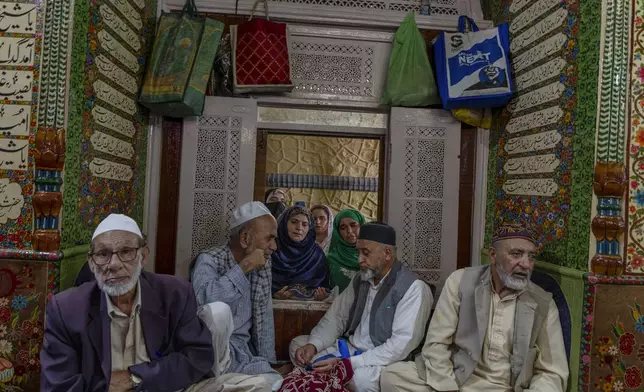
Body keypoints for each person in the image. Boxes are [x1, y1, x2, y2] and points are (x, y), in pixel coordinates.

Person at [381, 223, 569, 392]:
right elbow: (436, 343)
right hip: (457, 378)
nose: (526, 264)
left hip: (505, 388)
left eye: (531, 256)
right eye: (516, 254)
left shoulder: (543, 303)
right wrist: (447, 387)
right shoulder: (460, 281)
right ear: (493, 255)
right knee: (392, 376)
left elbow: (552, 372)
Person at [41, 214, 215, 392]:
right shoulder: (66, 309)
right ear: (92, 262)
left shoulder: (175, 294)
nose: (114, 264)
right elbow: (59, 385)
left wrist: (133, 377)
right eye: (103, 254)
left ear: (143, 256)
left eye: (126, 252)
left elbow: (198, 355)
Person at [290, 222, 433, 392]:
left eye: (365, 253)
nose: (359, 259)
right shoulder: (361, 279)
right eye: (358, 252)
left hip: (381, 361)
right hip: (349, 350)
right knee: (298, 348)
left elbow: (399, 346)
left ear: (387, 253)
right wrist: (313, 345)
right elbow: (337, 318)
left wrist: (348, 364)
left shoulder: (413, 288)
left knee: (359, 381)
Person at [190, 202, 283, 389]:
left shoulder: (264, 265)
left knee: (274, 382)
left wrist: (268, 362)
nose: (274, 246)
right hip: (210, 351)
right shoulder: (209, 260)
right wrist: (244, 267)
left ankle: (221, 383)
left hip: (242, 355)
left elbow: (264, 317)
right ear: (245, 238)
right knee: (217, 311)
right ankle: (218, 378)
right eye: (269, 238)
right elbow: (204, 302)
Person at [271, 206, 330, 301]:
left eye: (305, 224)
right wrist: (273, 294)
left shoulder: (316, 255)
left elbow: (324, 287)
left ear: (310, 228)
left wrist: (321, 296)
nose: (299, 228)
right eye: (294, 222)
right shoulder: (272, 249)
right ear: (284, 224)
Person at [327, 209, 366, 291]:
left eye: (353, 225)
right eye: (343, 228)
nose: (349, 231)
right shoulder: (331, 258)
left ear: (361, 225)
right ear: (337, 232)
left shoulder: (372, 255)